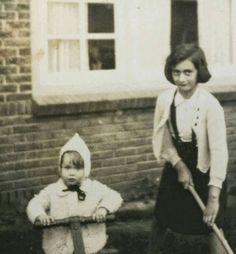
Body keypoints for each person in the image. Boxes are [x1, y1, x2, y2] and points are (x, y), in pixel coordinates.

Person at [148, 44, 228, 254]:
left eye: (188, 72)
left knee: (212, 223)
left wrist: (213, 199)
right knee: (161, 217)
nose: (182, 79)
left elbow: (219, 153)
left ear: (198, 71)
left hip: (206, 167)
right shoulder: (165, 99)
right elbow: (163, 133)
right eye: (176, 72)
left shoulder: (211, 105)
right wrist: (179, 165)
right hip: (177, 161)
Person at [27, 133, 123, 254]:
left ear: (86, 169)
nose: (72, 173)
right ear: (60, 168)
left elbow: (114, 196)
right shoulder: (52, 190)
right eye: (67, 168)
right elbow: (35, 203)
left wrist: (103, 209)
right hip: (59, 246)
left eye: (77, 168)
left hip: (89, 244)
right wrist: (40, 216)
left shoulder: (94, 187)